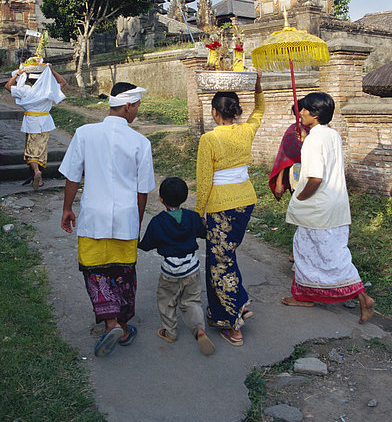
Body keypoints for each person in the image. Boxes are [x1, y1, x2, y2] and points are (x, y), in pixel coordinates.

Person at [59, 82, 155, 357]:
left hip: (93, 218)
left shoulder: (84, 133)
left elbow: (72, 176)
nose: (136, 112)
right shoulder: (140, 142)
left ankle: (110, 322)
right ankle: (122, 326)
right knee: (124, 273)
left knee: (95, 271)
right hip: (125, 219)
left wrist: (67, 208)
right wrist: (136, 223)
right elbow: (142, 190)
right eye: (136, 107)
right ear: (128, 106)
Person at [281, 92, 375, 324]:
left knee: (329, 256)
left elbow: (315, 178)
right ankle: (305, 294)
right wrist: (306, 141)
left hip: (318, 207)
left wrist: (300, 198)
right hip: (335, 205)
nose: (300, 113)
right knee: (309, 249)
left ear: (314, 114)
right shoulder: (332, 134)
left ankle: (362, 296)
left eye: (303, 109)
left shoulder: (314, 140)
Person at [195, 71, 265, 346]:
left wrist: (199, 212)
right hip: (245, 200)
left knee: (218, 263)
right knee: (227, 255)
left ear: (214, 112)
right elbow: (260, 109)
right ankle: (240, 302)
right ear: (236, 111)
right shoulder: (246, 130)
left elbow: (203, 179)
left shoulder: (209, 139)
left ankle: (233, 324)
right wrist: (258, 87)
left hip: (220, 205)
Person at [138, 177, 215, 355]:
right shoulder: (192, 217)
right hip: (192, 267)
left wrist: (137, 242)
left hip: (170, 269)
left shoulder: (157, 222)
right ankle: (199, 330)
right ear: (185, 198)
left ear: (161, 199)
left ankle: (170, 332)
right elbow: (203, 234)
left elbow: (147, 244)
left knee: (166, 301)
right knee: (191, 301)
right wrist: (202, 224)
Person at [4, 63, 67, 190]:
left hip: (31, 122)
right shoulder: (48, 89)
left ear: (29, 80)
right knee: (41, 151)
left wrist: (18, 73)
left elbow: (7, 86)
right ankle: (39, 180)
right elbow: (63, 82)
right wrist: (52, 70)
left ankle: (37, 172)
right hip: (44, 122)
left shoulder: (25, 90)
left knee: (31, 151)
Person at [268, 99, 310, 202]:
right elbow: (284, 157)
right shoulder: (293, 131)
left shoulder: (323, 133)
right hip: (298, 176)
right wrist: (279, 182)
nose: (300, 115)